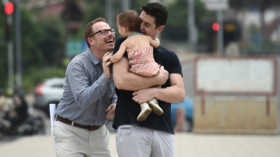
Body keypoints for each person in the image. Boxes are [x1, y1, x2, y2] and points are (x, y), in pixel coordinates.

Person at [112, 3, 185, 157]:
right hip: (132, 127)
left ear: (159, 29)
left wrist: (153, 92)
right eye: (140, 21)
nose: (140, 26)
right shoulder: (124, 43)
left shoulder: (170, 56)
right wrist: (158, 79)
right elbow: (121, 80)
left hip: (163, 130)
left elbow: (179, 93)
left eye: (146, 24)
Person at [53, 17, 117, 157]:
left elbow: (114, 94)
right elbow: (83, 100)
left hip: (99, 134)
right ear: (91, 40)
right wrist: (106, 76)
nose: (111, 34)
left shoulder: (114, 62)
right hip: (70, 132)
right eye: (104, 32)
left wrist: (114, 103)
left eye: (111, 30)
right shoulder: (78, 64)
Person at [110, 10, 163, 122]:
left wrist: (109, 58)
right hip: (152, 68)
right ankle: (153, 101)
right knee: (157, 78)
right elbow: (157, 44)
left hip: (138, 70)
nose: (119, 30)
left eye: (119, 28)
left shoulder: (126, 42)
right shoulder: (146, 38)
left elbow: (117, 57)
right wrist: (155, 38)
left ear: (124, 28)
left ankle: (143, 105)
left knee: (136, 84)